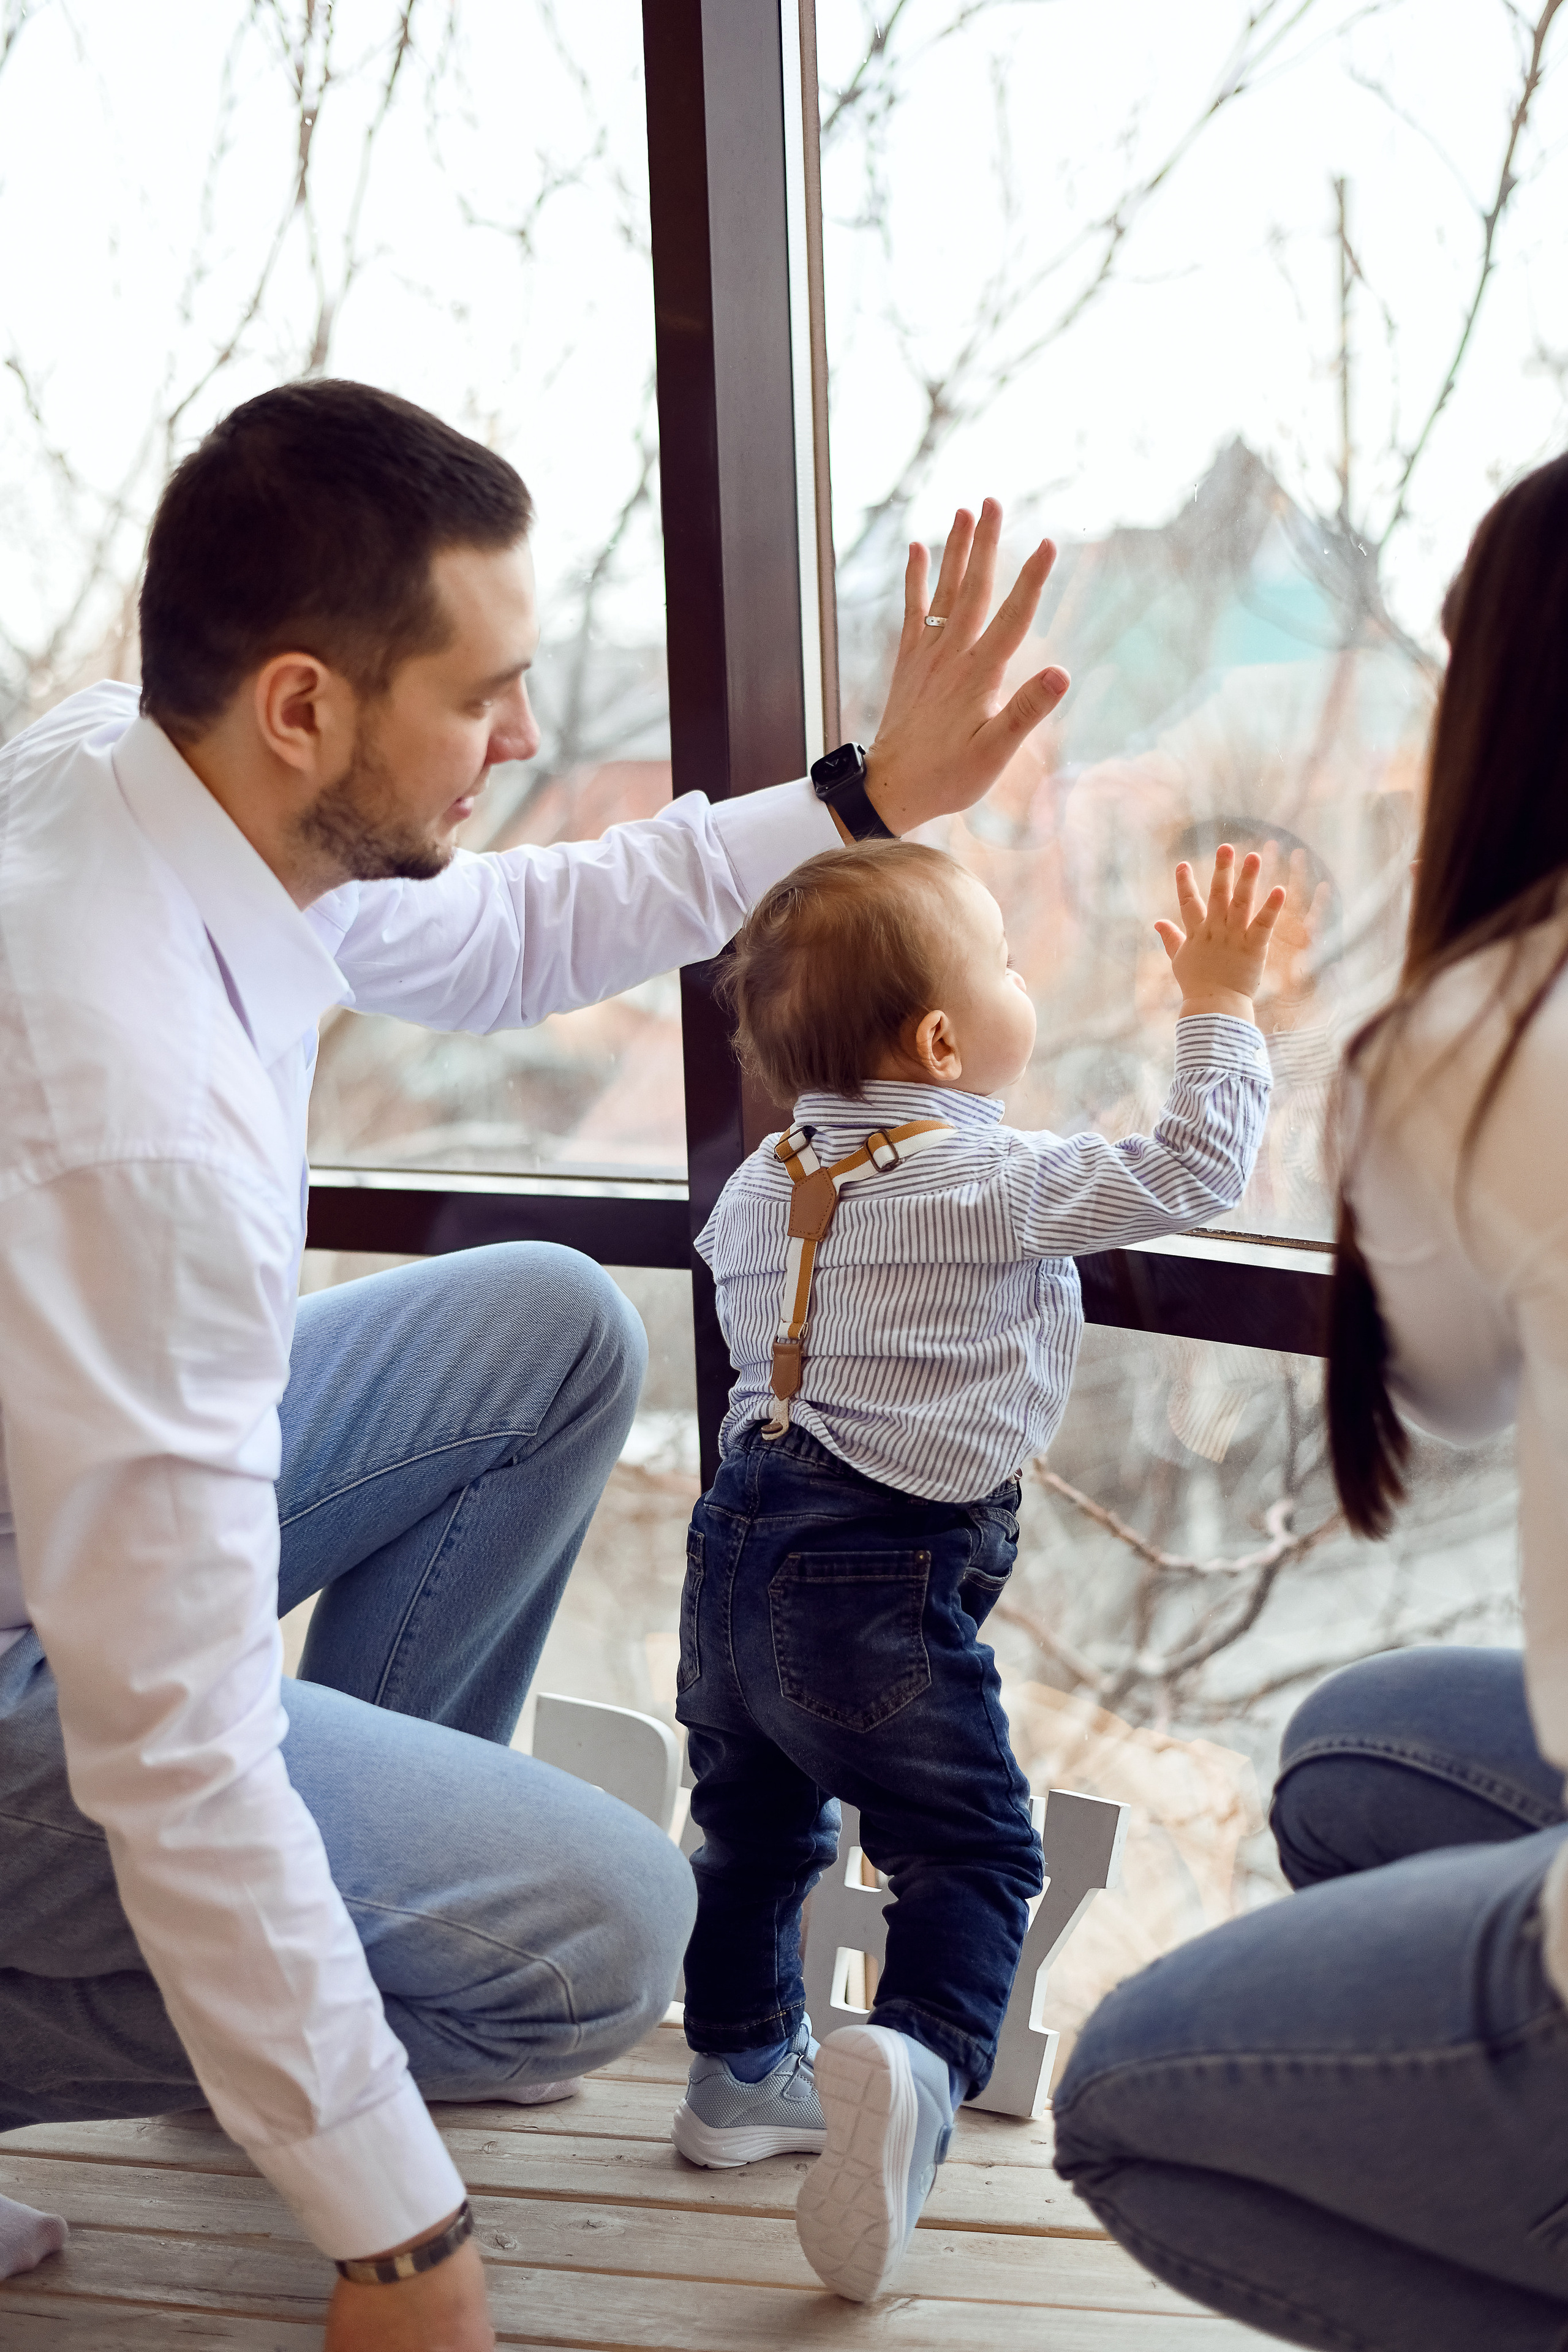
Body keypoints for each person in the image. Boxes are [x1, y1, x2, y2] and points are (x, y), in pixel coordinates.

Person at [0, 377, 1072, 2351]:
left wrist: (857, 806)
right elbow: (171, 1737)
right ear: (306, 705)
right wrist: (397, 2237)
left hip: (35, 1530)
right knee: (601, 1941)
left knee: (550, 1330)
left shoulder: (144, 772)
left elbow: (500, 935)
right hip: (38, 1664)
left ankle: (314, 1999)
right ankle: (294, 2049)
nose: (521, 737)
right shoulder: (128, 1098)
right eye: (482, 695)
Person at [1052, 450, 1568, 2352]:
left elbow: (1448, 1385)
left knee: (1126, 2108)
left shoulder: (1482, 1033)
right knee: (1361, 1746)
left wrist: (1223, 1016)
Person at [665, 833, 1283, 2301]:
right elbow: (1191, 1167)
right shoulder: (985, 1179)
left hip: (733, 1538)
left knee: (754, 1830)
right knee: (973, 1852)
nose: (1023, 979)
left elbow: (755, 1292)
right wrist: (1220, 1004)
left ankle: (734, 2075)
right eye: (1004, 964)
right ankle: (922, 2068)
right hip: (876, 1568)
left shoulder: (761, 1184)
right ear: (943, 1041)